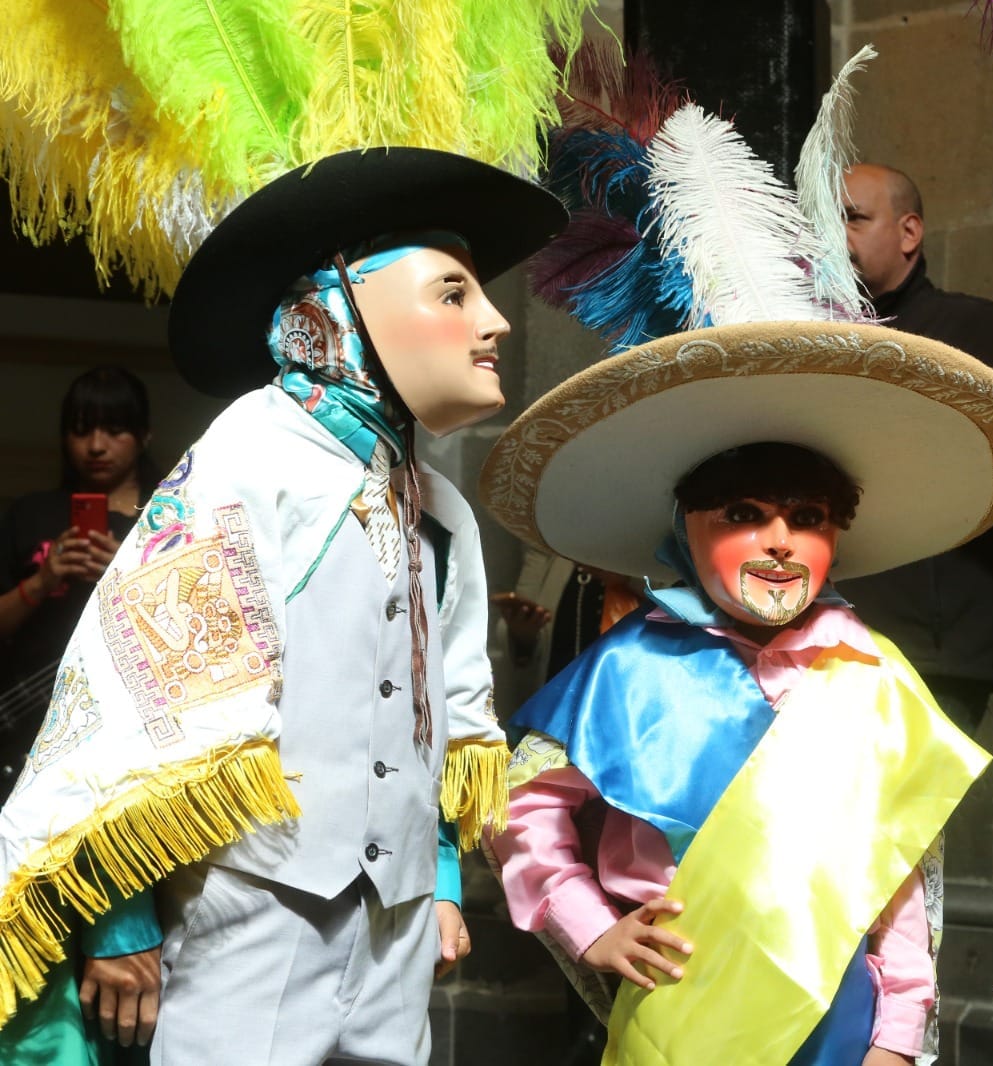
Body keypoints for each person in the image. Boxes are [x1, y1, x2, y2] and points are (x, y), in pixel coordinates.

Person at [0, 147, 567, 1066]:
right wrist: (118, 922)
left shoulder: (443, 512)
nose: (494, 321)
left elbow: (442, 715)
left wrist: (445, 880)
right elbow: (139, 700)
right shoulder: (244, 463)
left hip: (396, 922)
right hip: (252, 910)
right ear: (340, 310)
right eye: (454, 293)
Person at [478, 319, 993, 1065]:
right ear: (687, 526)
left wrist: (900, 1029)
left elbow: (904, 870)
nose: (779, 539)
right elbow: (518, 802)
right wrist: (590, 924)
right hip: (681, 999)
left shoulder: (875, 675)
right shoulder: (627, 665)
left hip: (839, 1009)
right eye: (743, 515)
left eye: (807, 519)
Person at [836, 164, 993, 732]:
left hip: (928, 658)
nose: (832, 236)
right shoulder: (808, 336)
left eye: (853, 218)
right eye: (823, 221)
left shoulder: (975, 329)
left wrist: (950, 416)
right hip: (811, 643)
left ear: (909, 233)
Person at [0, 367, 161, 800]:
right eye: (81, 430)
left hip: (125, 736)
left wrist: (125, 577)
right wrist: (43, 580)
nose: (95, 446)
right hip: (20, 729)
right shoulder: (28, 514)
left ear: (144, 435)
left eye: (114, 430)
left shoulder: (165, 523)